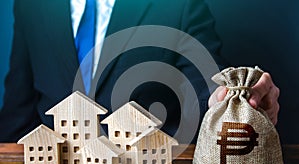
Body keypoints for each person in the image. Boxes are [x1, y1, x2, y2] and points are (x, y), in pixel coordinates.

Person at [0, 0, 279, 143]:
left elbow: (205, 82)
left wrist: (233, 102)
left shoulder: (178, 4)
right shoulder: (32, 5)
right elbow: (18, 108)